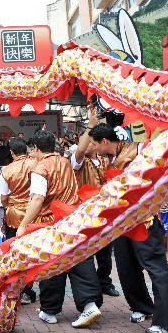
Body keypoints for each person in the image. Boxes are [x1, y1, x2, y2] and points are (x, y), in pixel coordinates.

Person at [88, 123, 168, 333]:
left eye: (94, 143)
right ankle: (142, 307)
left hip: (144, 220)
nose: (92, 146)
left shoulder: (138, 150)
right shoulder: (104, 160)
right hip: (121, 223)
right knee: (126, 269)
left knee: (156, 269)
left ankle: (165, 323)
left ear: (105, 142)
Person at [16, 130, 103, 328]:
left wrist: (23, 225)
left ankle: (49, 310)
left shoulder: (40, 168)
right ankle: (89, 304)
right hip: (73, 219)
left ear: (36, 149)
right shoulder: (66, 162)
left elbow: (37, 199)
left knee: (51, 265)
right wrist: (89, 127)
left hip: (51, 222)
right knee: (80, 259)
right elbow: (81, 148)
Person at [71, 113, 120, 297]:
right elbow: (81, 150)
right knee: (88, 251)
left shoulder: (106, 160)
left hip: (105, 211)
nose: (92, 144)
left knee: (106, 252)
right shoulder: (79, 162)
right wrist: (90, 126)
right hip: (87, 212)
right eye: (91, 141)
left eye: (94, 142)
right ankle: (91, 284)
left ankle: (105, 281)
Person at [0, 137, 38, 304]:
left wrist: (11, 203)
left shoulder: (6, 170)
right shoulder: (35, 164)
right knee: (32, 252)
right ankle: (29, 289)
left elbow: (3, 197)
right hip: (34, 212)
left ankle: (17, 288)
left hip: (14, 214)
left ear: (12, 153)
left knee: (15, 252)